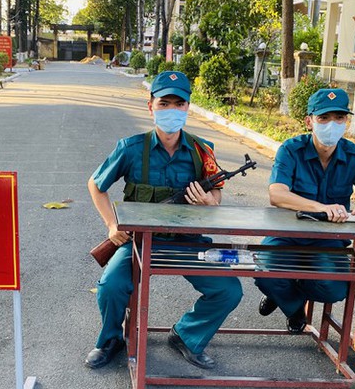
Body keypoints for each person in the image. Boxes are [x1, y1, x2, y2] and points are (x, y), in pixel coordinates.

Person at [85, 71, 243, 370]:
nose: (171, 110)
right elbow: (96, 185)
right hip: (140, 242)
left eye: (178, 103)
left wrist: (210, 202)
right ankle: (110, 339)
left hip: (187, 241)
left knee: (228, 290)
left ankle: (187, 335)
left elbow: (217, 197)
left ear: (187, 108)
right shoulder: (130, 148)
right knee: (111, 286)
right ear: (151, 107)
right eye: (164, 103)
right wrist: (112, 224)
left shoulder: (202, 149)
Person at [255, 88, 355, 333]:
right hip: (287, 236)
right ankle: (294, 308)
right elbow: (277, 194)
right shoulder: (291, 150)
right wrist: (321, 208)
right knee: (264, 271)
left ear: (346, 121)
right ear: (309, 121)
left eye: (339, 118)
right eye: (323, 118)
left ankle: (285, 292)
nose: (332, 124)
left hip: (329, 242)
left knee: (335, 288)